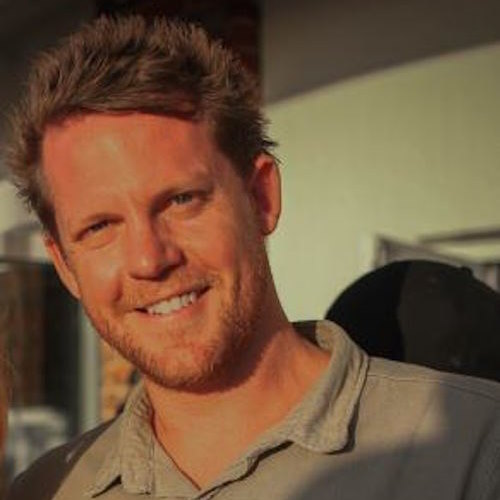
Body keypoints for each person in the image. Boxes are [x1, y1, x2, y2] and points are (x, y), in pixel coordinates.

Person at [4, 15, 500, 500]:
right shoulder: (47, 491)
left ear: (261, 197)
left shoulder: (476, 452)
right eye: (99, 227)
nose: (150, 259)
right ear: (64, 265)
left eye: (181, 200)